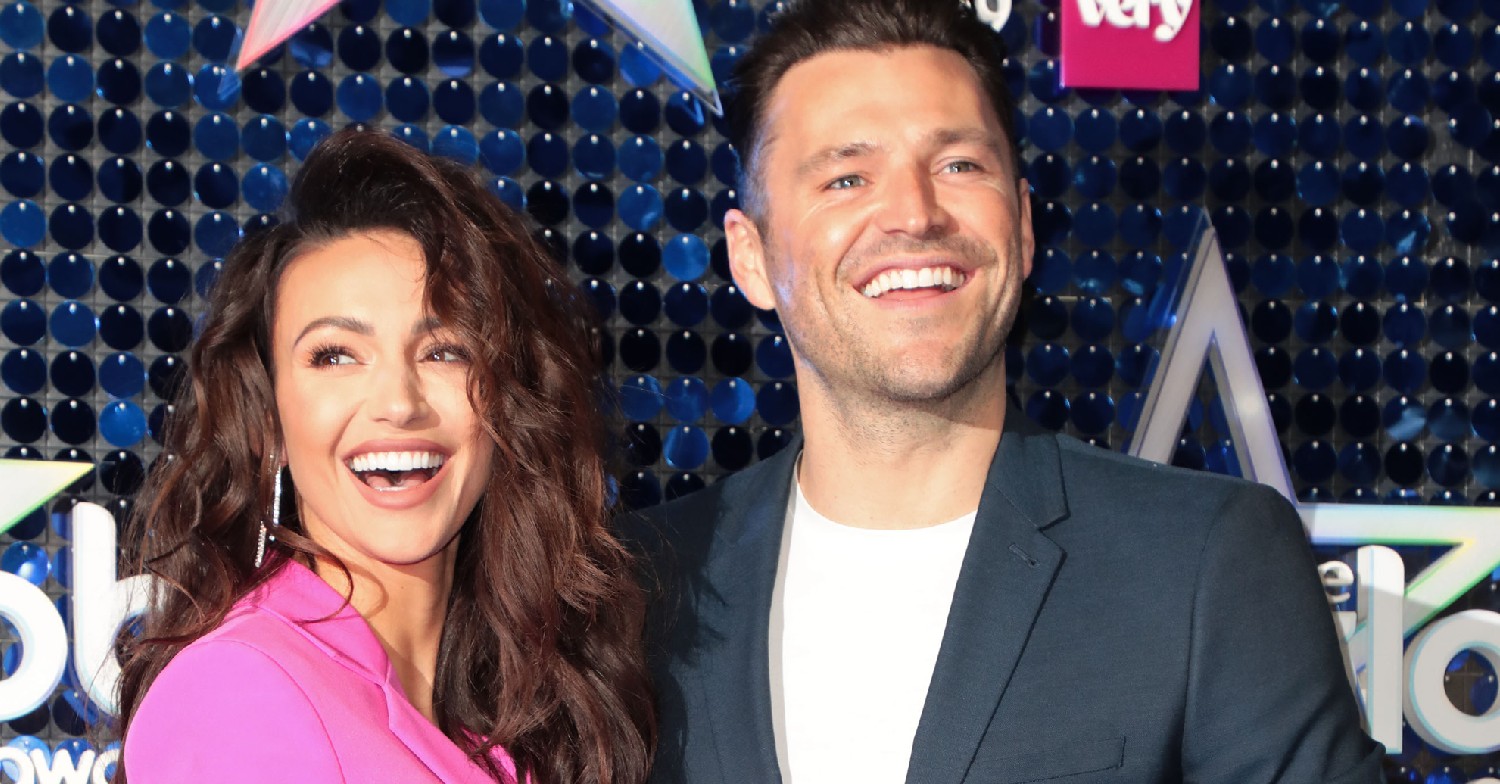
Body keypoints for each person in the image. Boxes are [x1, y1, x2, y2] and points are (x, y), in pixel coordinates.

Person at [626, 0, 1385, 782]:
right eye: (846, 178)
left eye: (958, 166)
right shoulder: (638, 585)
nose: (914, 214)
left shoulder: (1203, 565)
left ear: (1021, 227)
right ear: (750, 258)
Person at [117, 129, 654, 784]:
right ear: (267, 421)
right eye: (335, 356)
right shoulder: (236, 693)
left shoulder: (517, 719)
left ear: (505, 404)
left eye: (444, 351)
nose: (400, 403)